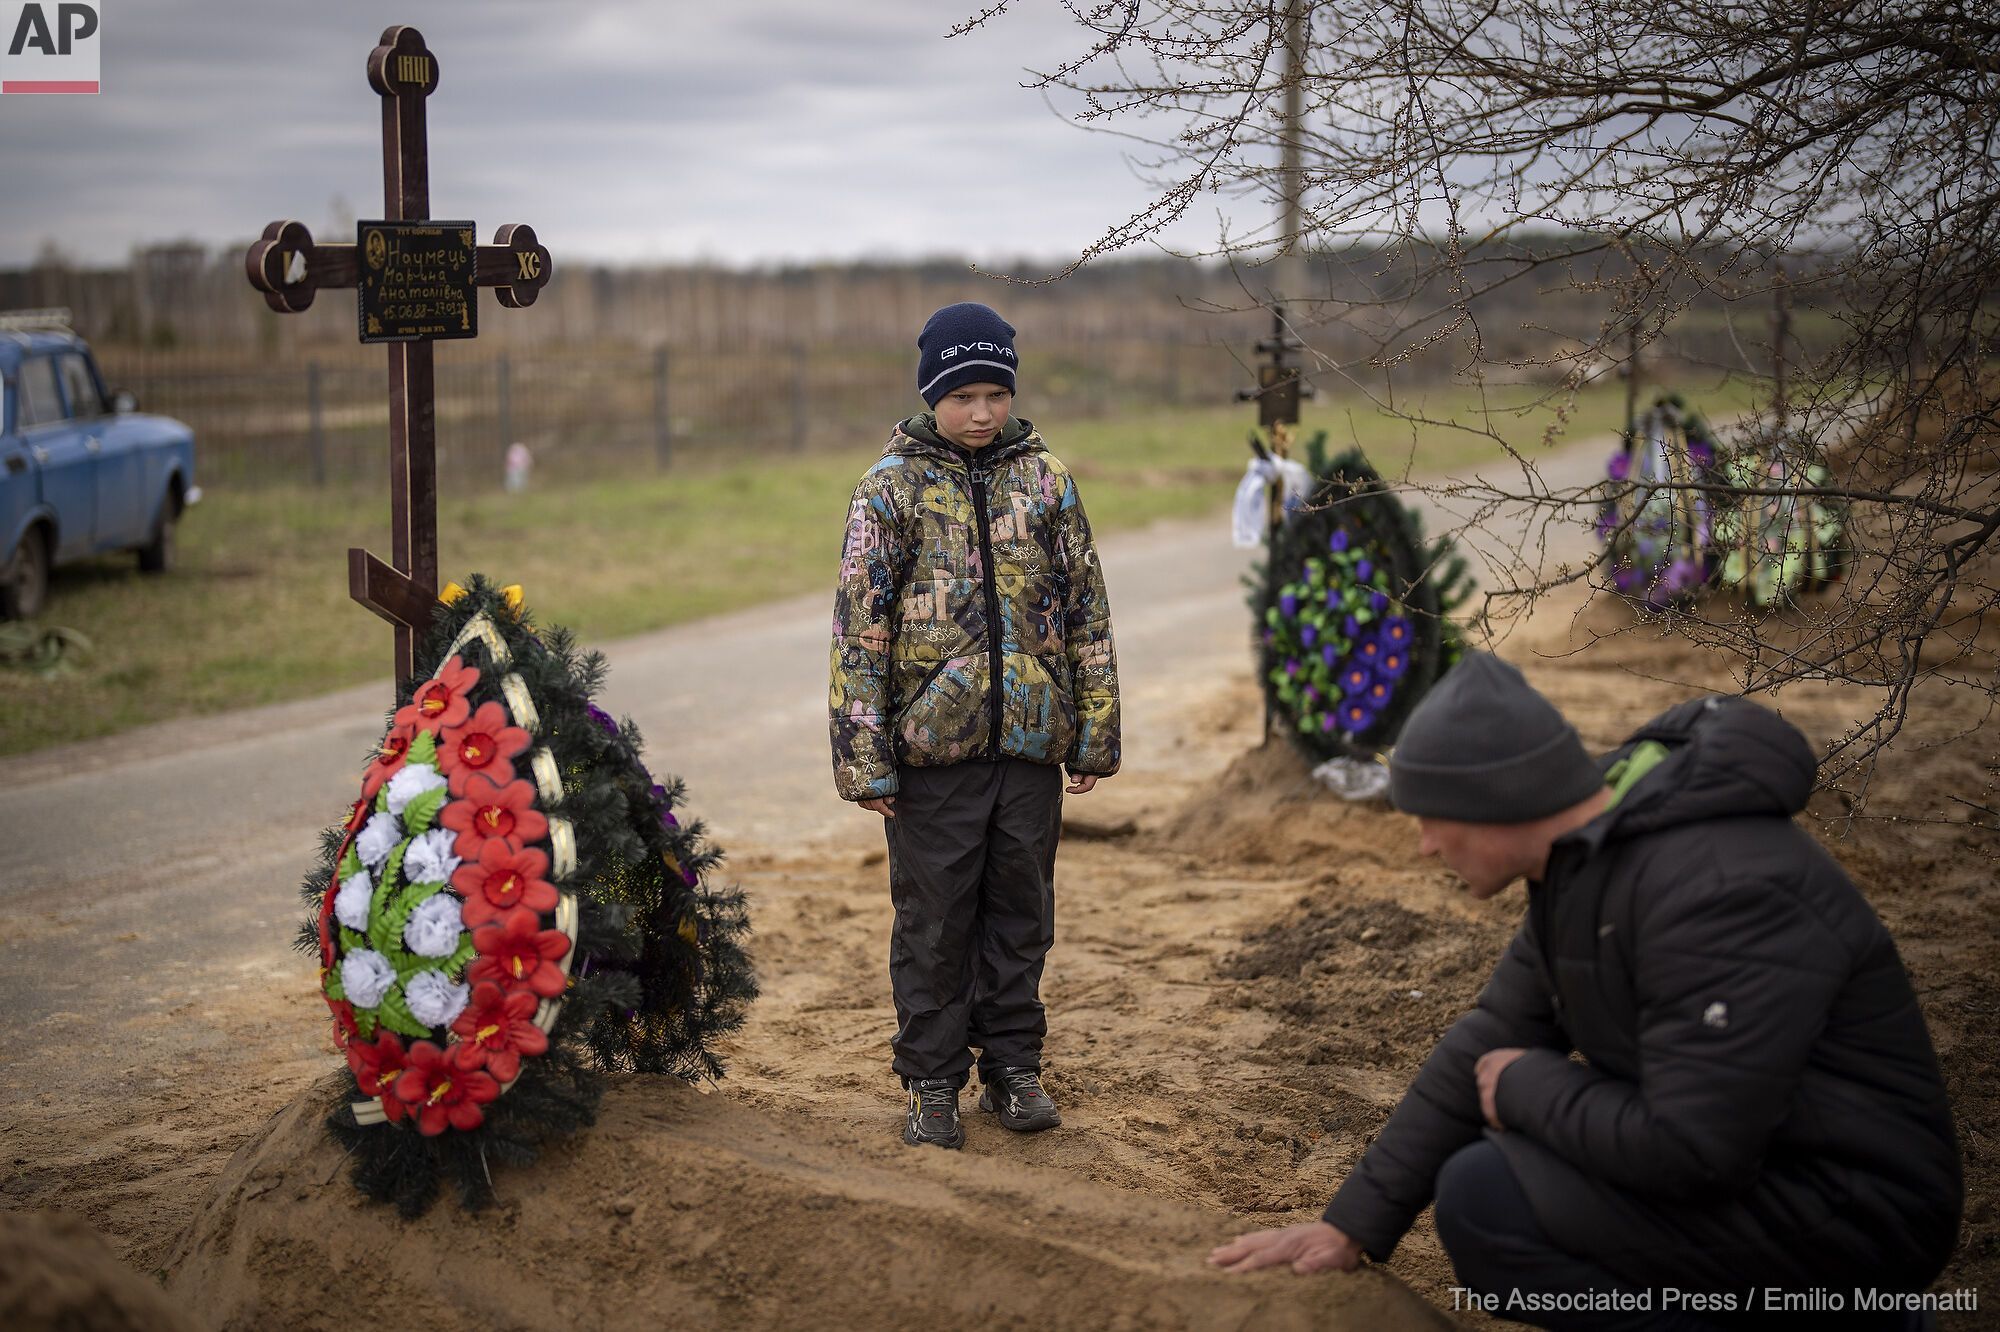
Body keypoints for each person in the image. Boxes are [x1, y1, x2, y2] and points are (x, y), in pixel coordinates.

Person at [1209, 652, 1961, 1330]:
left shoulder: (1715, 888)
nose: (1426, 846)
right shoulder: (1586, 864)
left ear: (1497, 800)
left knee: (1489, 1196)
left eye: (1432, 820)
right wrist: (1351, 1227)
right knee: (1490, 1180)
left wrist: (1530, 1086)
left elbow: (1698, 1150)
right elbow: (1490, 1033)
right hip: (1767, 1169)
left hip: (1858, 1211)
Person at [829, 301, 1120, 1150]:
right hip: (933, 757)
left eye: (996, 393)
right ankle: (930, 1081)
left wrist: (1092, 731)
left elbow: (1087, 615)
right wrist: (865, 758)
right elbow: (859, 632)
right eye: (963, 396)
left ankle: (1013, 1069)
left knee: (1022, 914)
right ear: (932, 396)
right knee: (935, 919)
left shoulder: (1050, 483)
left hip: (1031, 747)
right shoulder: (889, 490)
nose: (982, 412)